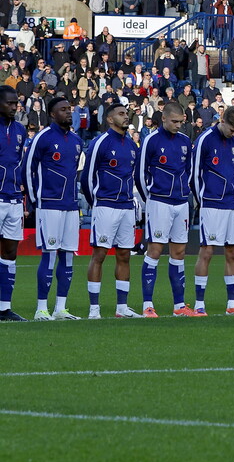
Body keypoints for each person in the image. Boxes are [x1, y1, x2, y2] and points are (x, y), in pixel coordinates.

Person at [24, 95, 84, 320]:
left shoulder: (77, 140)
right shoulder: (43, 137)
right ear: (52, 114)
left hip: (70, 205)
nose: (68, 112)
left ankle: (60, 308)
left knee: (68, 256)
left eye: (69, 108)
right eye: (63, 109)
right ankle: (41, 308)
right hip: (48, 204)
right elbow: (28, 169)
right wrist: (35, 201)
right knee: (48, 255)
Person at [81, 98, 142, 318]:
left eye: (127, 113)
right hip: (105, 205)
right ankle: (94, 309)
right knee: (99, 254)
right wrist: (96, 202)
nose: (126, 116)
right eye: (121, 113)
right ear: (109, 119)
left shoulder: (132, 145)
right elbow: (86, 179)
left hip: (126, 206)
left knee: (124, 255)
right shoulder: (101, 142)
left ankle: (122, 308)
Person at [138, 102, 198, 317]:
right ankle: (147, 305)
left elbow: (189, 171)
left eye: (181, 122)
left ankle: (179, 306)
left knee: (179, 252)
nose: (178, 126)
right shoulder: (151, 140)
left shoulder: (184, 141)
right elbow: (140, 173)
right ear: (163, 118)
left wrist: (185, 192)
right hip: (159, 202)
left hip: (181, 203)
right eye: (174, 122)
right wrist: (151, 199)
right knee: (154, 250)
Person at [192, 105, 234, 316]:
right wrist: (203, 201)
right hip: (211, 203)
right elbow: (194, 175)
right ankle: (199, 304)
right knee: (207, 252)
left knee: (233, 252)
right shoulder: (205, 139)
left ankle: (232, 304)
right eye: (232, 130)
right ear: (222, 119)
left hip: (232, 203)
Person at [0, 85, 28, 320]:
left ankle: (4, 308)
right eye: (9, 103)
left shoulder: (20, 129)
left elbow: (20, 164)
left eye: (16, 103)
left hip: (14, 199)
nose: (14, 107)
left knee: (10, 252)